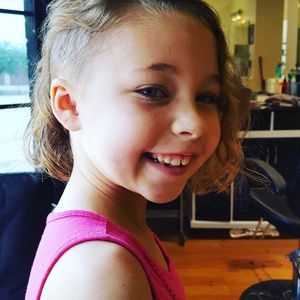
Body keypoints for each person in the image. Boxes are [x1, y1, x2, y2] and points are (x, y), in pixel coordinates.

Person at [25, 0, 249, 299]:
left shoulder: (124, 233)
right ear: (70, 104)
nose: (194, 123)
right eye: (152, 91)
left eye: (206, 96)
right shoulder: (98, 272)